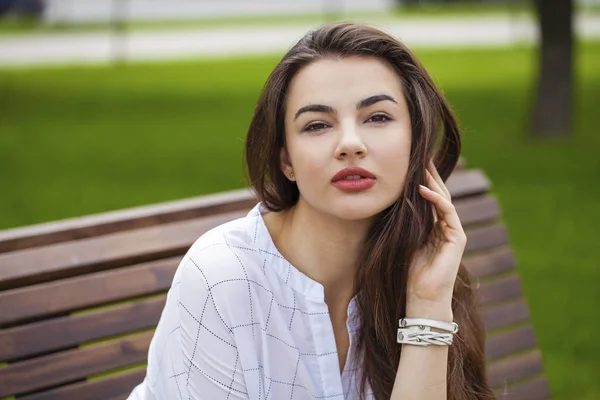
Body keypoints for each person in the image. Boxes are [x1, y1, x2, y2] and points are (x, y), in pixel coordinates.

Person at [127, 22, 495, 400]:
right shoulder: (224, 277)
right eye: (317, 125)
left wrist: (429, 302)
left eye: (378, 117)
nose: (350, 144)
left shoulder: (420, 266)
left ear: (415, 140)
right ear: (286, 160)